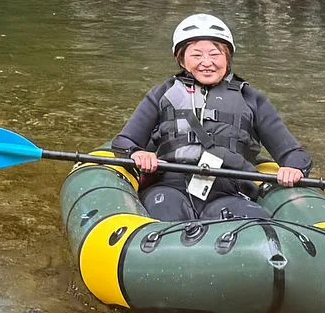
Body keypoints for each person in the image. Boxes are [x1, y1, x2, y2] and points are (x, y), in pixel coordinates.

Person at [109, 13, 311, 224]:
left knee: (256, 228)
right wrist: (139, 153)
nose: (207, 63)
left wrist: (293, 168)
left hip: (229, 191)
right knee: (167, 212)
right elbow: (125, 142)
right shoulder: (162, 94)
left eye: (215, 54)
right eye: (196, 55)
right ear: (182, 59)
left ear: (227, 58)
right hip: (170, 185)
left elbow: (294, 154)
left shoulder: (251, 98)